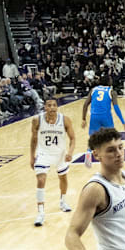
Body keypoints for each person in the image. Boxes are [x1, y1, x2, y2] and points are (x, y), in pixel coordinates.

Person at [30, 97, 76, 226]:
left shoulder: (65, 119)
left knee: (63, 178)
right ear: (45, 107)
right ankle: (40, 213)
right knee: (40, 180)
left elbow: (73, 139)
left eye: (54, 105)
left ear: (57, 107)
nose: (51, 107)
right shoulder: (37, 120)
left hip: (60, 153)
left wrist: (70, 153)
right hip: (43, 153)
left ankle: (63, 201)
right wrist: (31, 156)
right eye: (49, 105)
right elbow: (33, 139)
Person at [81, 76, 125, 168]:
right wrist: (123, 122)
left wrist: (83, 119)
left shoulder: (93, 90)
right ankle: (112, 158)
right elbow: (116, 108)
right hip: (106, 117)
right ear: (109, 82)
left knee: (92, 138)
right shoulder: (111, 91)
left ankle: (88, 153)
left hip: (94, 116)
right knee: (111, 138)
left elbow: (85, 104)